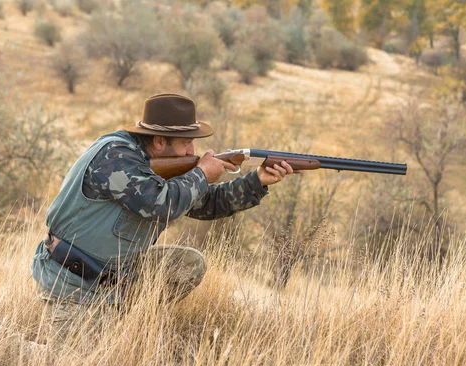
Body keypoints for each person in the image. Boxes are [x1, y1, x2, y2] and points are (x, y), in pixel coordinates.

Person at [31, 93, 294, 308]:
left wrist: (257, 181)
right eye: (186, 143)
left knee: (188, 263)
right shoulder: (115, 157)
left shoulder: (151, 164)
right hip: (71, 283)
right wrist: (202, 173)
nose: (192, 151)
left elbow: (207, 203)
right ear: (158, 141)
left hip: (111, 276)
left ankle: (129, 317)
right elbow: (160, 205)